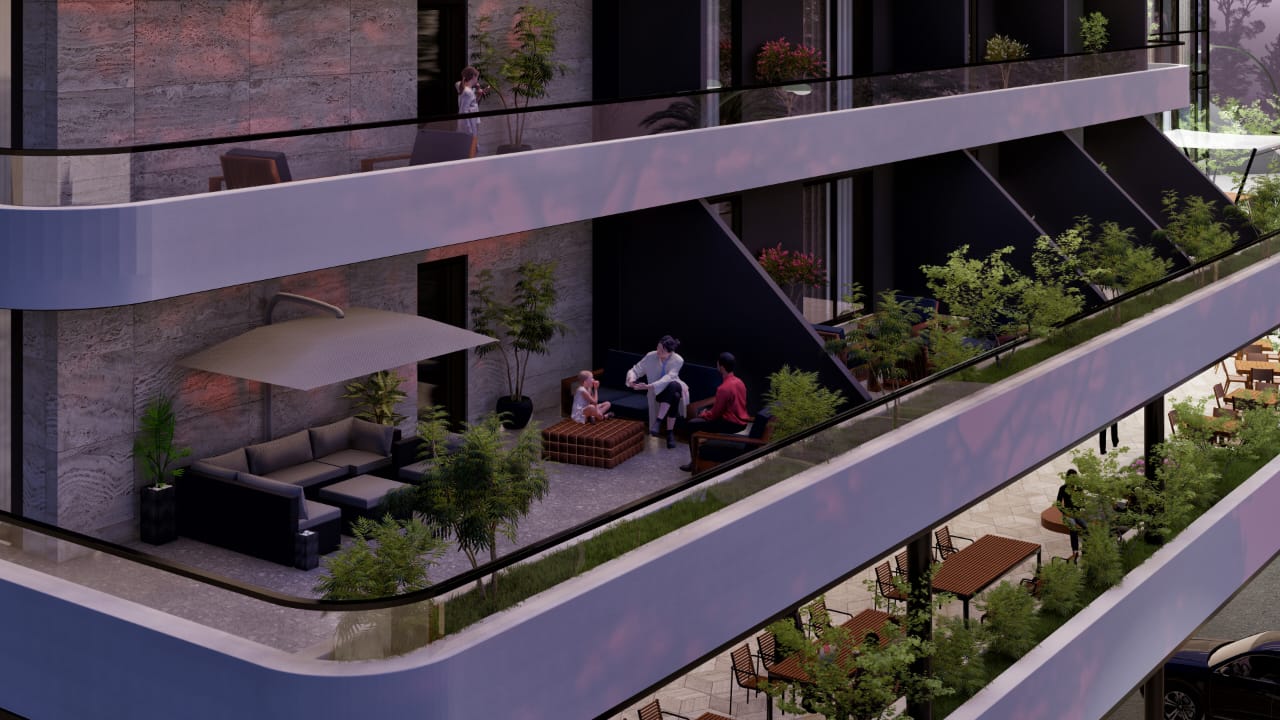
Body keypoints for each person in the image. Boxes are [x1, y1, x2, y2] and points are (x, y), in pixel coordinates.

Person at [679, 352, 749, 472]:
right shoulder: (740, 382)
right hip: (742, 421)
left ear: (721, 367)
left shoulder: (724, 388)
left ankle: (694, 463)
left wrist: (704, 414)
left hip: (731, 423)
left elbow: (715, 414)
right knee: (700, 420)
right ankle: (700, 451)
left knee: (692, 424)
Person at [626, 335, 688, 449]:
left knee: (674, 385)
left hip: (671, 385)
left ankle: (658, 421)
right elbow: (636, 369)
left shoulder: (678, 360)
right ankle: (669, 433)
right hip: (659, 392)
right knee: (675, 396)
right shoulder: (651, 355)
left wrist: (649, 386)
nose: (658, 351)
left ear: (670, 352)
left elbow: (669, 377)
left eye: (662, 350)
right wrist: (631, 379)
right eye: (658, 347)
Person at [456, 66, 484, 158]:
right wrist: (469, 130)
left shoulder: (465, 89)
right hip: (469, 125)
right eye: (477, 77)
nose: (477, 80)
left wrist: (478, 96)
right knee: (470, 150)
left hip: (470, 123)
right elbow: (464, 111)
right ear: (473, 77)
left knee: (470, 149)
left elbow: (471, 106)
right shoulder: (468, 92)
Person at [1056, 469, 1084, 554]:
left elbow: (1082, 502)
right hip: (1067, 514)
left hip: (1077, 513)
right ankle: (1075, 550)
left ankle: (1086, 548)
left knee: (1087, 527)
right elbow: (1058, 503)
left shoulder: (1078, 488)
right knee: (1073, 527)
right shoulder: (1063, 488)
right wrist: (1066, 513)